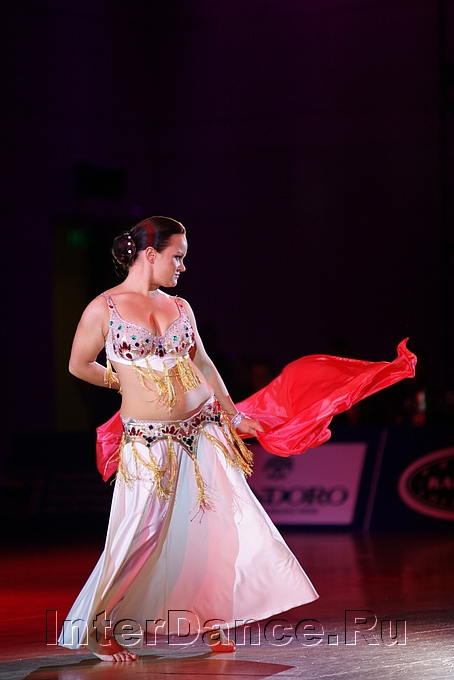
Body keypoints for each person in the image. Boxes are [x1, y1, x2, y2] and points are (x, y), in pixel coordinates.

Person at [58, 216, 319, 662]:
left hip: (202, 430)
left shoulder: (180, 306)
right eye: (177, 257)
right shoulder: (104, 308)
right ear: (150, 254)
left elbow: (203, 363)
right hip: (147, 442)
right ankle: (102, 626)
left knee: (213, 528)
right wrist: (122, 381)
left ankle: (213, 621)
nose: (182, 266)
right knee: (141, 532)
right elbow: (78, 364)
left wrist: (234, 415)